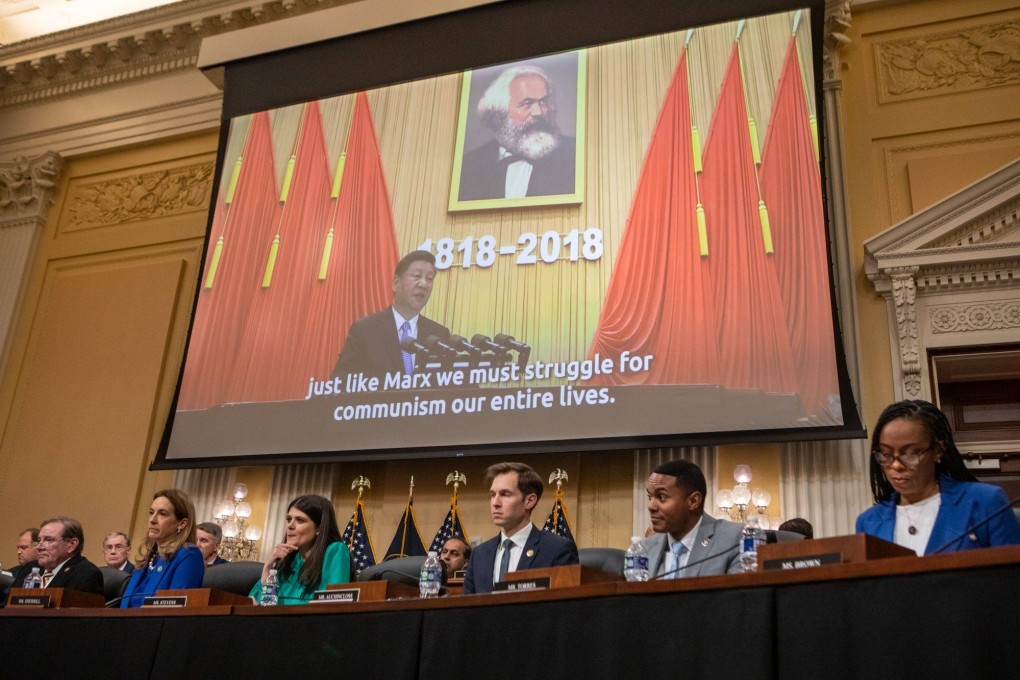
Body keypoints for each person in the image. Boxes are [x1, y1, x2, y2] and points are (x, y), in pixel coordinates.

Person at [856, 400, 1020, 555]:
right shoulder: (869, 522)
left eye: (910, 453)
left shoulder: (985, 502)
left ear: (938, 450)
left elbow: (1011, 579)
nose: (896, 465)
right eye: (886, 454)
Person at [458, 64, 577, 201]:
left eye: (543, 102)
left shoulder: (574, 154)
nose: (538, 112)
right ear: (499, 111)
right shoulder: (469, 165)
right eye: (527, 103)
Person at [332, 250, 451, 383]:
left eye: (429, 279)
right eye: (417, 276)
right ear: (395, 283)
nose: (423, 284)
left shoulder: (439, 335)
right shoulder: (365, 331)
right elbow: (340, 383)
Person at [464, 462, 578, 594]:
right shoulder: (479, 554)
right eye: (492, 495)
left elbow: (565, 607)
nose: (495, 503)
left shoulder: (557, 549)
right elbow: (467, 608)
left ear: (529, 501)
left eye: (505, 494)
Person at [640, 459, 743, 578]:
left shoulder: (735, 539)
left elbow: (739, 595)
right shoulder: (645, 549)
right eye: (650, 497)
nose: (651, 506)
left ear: (693, 501)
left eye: (662, 497)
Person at [250, 494, 351, 605]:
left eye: (300, 520)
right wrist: (267, 568)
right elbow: (255, 605)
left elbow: (331, 604)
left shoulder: (335, 551)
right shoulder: (287, 561)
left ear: (318, 528)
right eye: (289, 519)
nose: (290, 526)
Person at [121, 489, 204, 607]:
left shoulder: (188, 556)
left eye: (162, 514)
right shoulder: (148, 558)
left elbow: (177, 608)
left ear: (182, 523)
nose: (152, 520)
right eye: (151, 512)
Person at [12, 517, 103, 595]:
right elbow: (6, 606)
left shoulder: (86, 573)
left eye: (49, 540)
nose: (39, 547)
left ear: (71, 544)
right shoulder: (30, 568)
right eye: (39, 540)